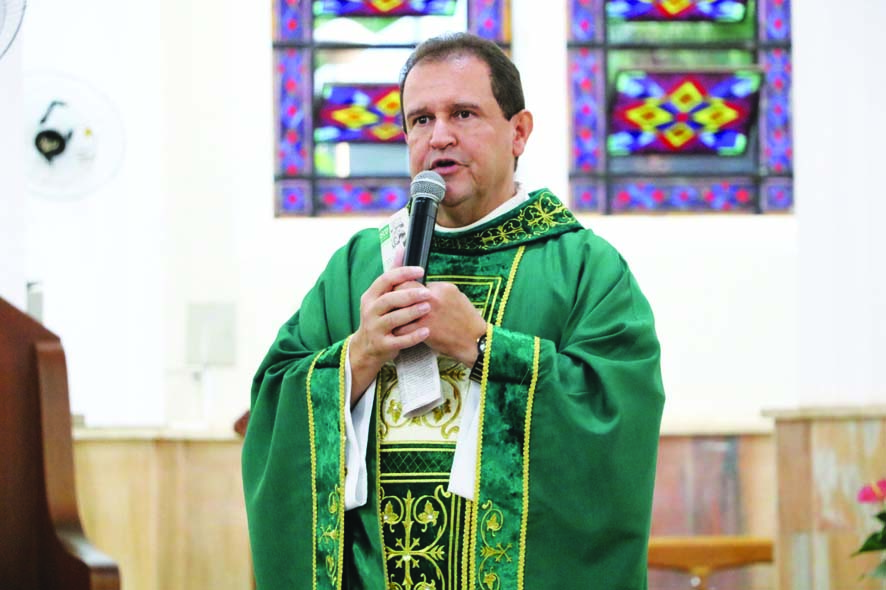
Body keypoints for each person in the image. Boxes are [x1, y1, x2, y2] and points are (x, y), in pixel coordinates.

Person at [243, 32, 664, 589]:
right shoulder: (360, 265)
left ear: (519, 132)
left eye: (463, 113)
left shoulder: (583, 266)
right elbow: (274, 400)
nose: (439, 136)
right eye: (420, 120)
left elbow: (618, 415)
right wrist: (359, 354)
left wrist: (484, 346)